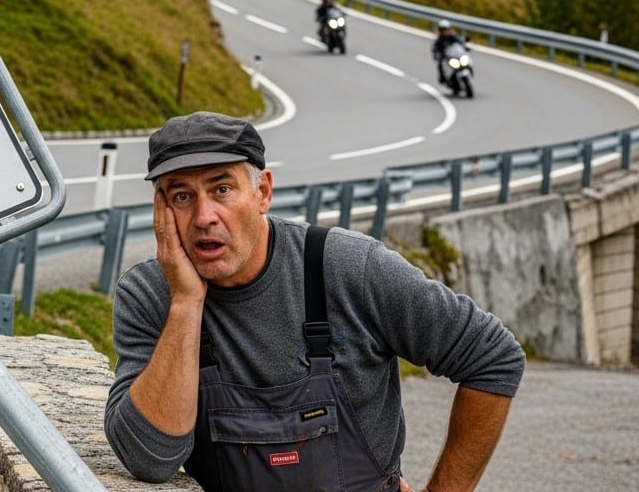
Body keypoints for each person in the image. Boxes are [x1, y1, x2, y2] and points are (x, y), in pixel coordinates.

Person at [104, 111, 524, 491]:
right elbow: (149, 459)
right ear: (160, 210)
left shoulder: (348, 268)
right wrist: (185, 304)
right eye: (181, 196)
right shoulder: (150, 296)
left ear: (263, 192)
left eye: (222, 188)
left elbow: (492, 357)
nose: (203, 217)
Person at [432, 19, 465, 84]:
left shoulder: (453, 35)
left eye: (446, 29)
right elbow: (435, 48)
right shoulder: (439, 38)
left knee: (465, 59)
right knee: (440, 63)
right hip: (445, 56)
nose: (444, 31)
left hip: (454, 54)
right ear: (440, 29)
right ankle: (442, 78)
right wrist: (436, 54)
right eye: (443, 29)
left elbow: (460, 41)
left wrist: (465, 46)